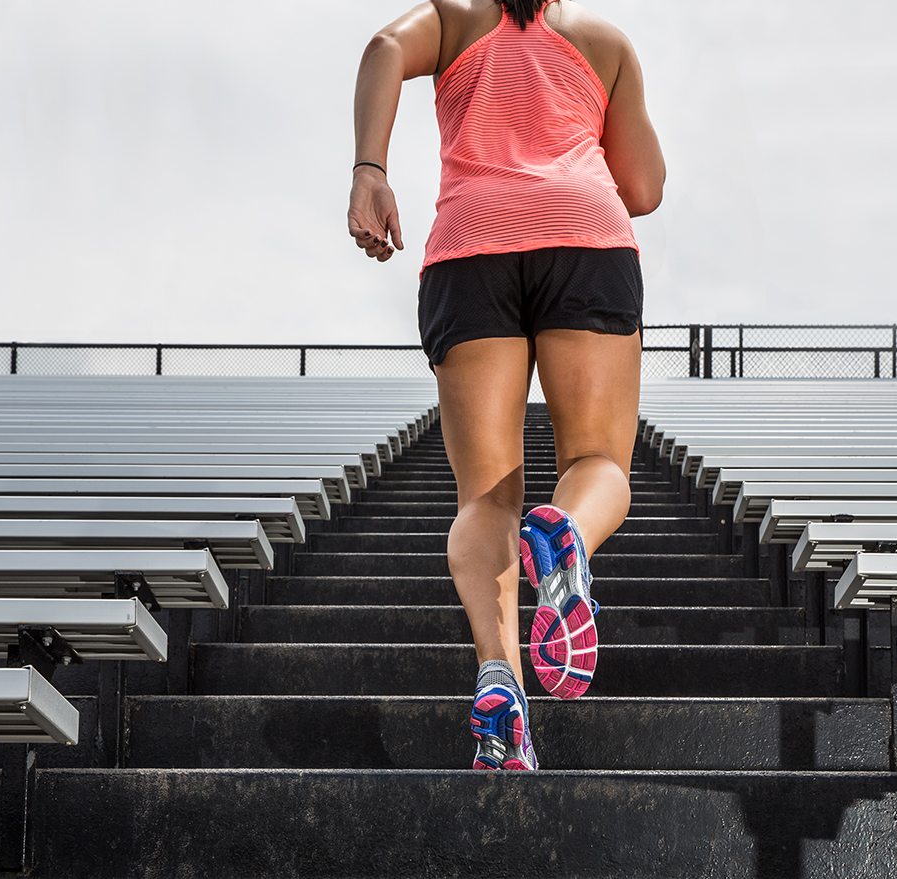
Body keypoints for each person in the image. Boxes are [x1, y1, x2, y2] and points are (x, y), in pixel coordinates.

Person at [349, 0, 664, 771]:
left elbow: (384, 46)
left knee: (485, 498)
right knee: (598, 461)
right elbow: (646, 187)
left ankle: (501, 682)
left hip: (470, 245)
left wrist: (370, 169)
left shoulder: (452, 20)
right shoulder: (604, 43)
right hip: (583, 235)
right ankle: (568, 537)